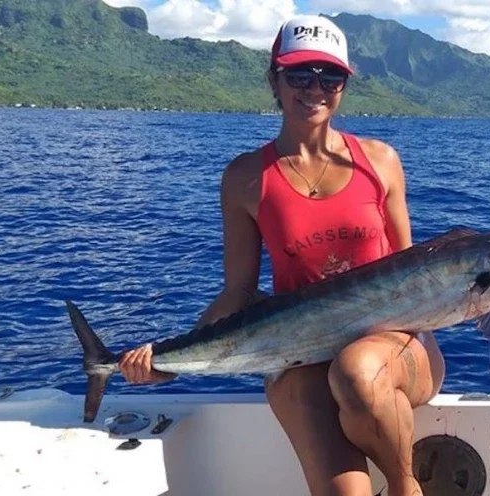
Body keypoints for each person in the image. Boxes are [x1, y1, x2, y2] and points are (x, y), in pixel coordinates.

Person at [118, 14, 446, 496]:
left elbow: (417, 270)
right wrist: (168, 357)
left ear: (344, 85)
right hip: (297, 351)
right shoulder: (245, 178)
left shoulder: (381, 162)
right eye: (299, 75)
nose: (315, 88)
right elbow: (239, 291)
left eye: (330, 76)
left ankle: (405, 486)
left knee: (356, 370)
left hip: (396, 346)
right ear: (274, 79)